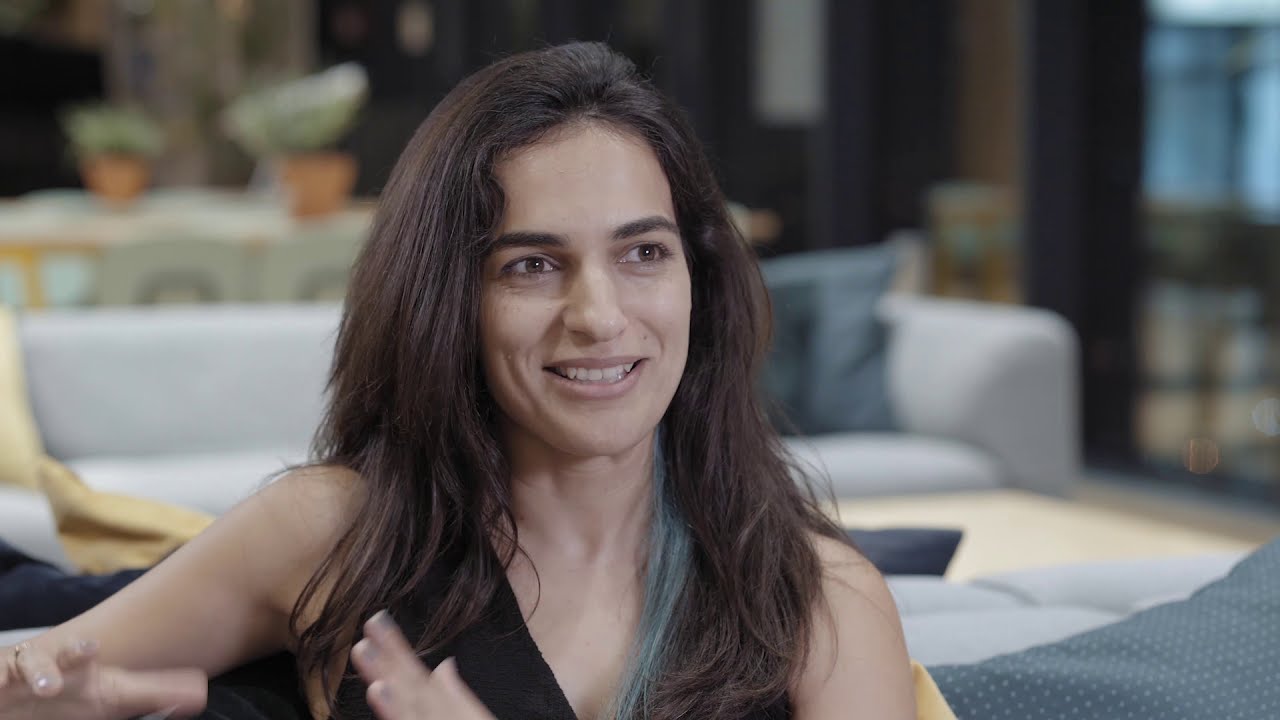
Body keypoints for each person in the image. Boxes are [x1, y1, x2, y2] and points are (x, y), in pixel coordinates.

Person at [0, 42, 918, 719]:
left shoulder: (820, 601)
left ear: (698, 282)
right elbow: (41, 682)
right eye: (532, 265)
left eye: (643, 252)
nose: (599, 315)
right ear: (447, 302)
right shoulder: (335, 532)